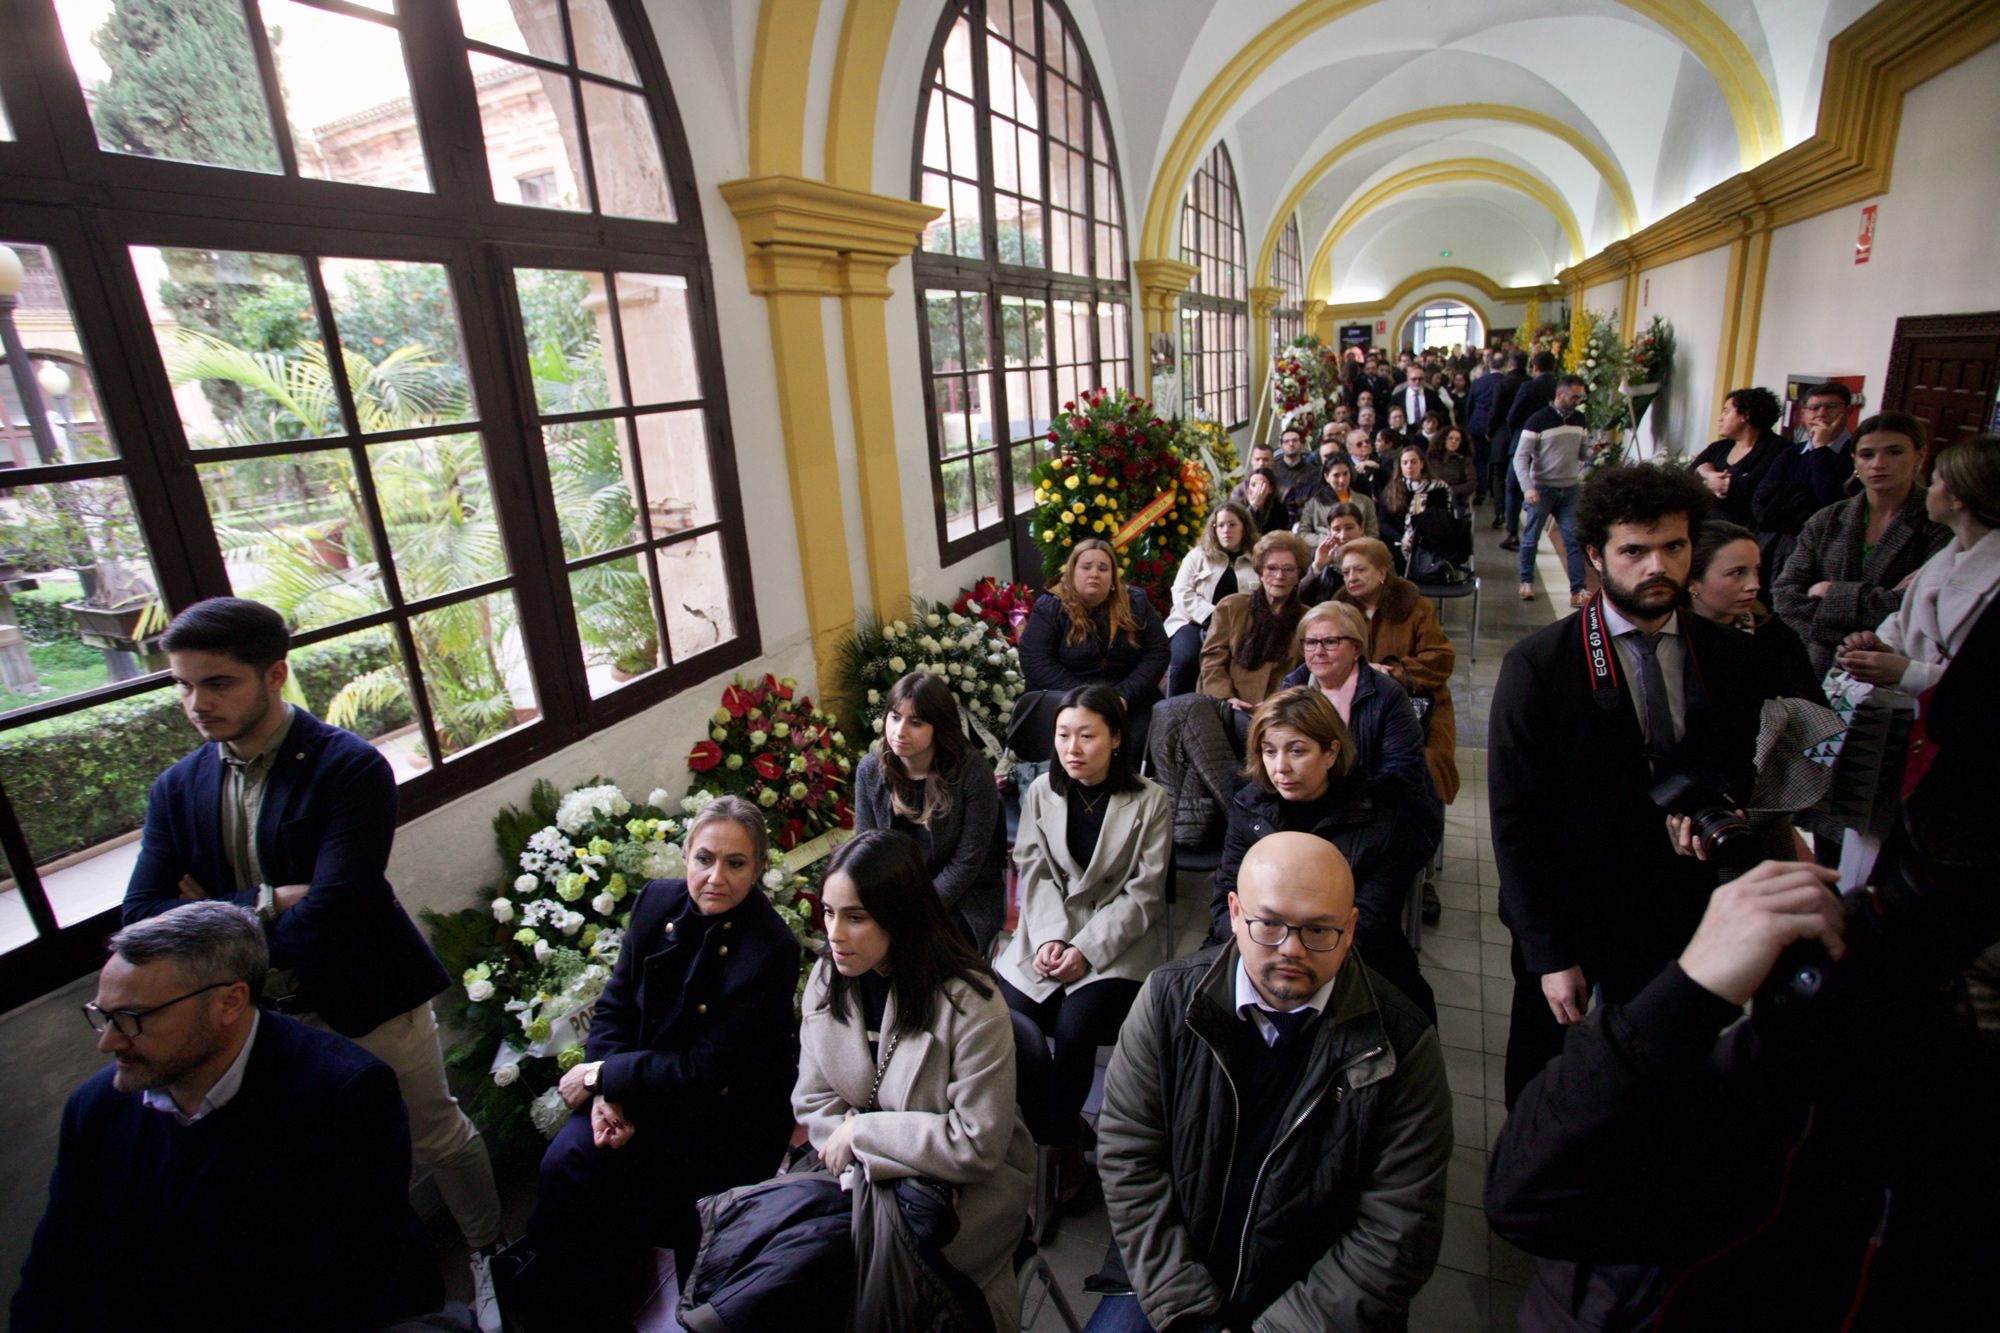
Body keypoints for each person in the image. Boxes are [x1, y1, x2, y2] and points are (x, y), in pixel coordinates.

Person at [119, 597, 503, 1327]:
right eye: (182, 684)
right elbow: (141, 917)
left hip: (365, 993)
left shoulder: (346, 766)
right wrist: (268, 899)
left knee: (433, 1129)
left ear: (275, 674)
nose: (195, 703)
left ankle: (491, 1250)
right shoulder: (177, 787)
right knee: (318, 1161)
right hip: (257, 1017)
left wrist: (216, 921)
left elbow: (343, 906)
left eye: (217, 683)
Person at [14, 902, 442, 1332]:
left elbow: (345, 1287)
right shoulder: (94, 1108)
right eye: (103, 1016)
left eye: (131, 1019)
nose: (107, 1043)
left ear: (230, 1003)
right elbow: (55, 1270)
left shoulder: (342, 1095)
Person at [1092, 832, 1451, 1333]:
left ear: (1350, 928)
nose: (1291, 950)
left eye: (1318, 931)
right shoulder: (1168, 1001)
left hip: (1313, 1304)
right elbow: (1128, 1154)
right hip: (1174, 1274)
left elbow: (1396, 1233)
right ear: (1235, 913)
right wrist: (1186, 1308)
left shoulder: (1401, 1047)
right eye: (1270, 924)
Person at [1489, 465, 1767, 1106]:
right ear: (1595, 554)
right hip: (1574, 912)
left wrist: (1708, 802)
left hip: (1681, 906)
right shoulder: (1540, 666)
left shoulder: (1725, 655)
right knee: (1545, 1087)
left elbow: (1739, 764)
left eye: (1674, 547)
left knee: (1669, 1079)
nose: (1656, 567)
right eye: (1634, 551)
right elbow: (1515, 821)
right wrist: (1550, 953)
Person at [512, 795, 800, 1330]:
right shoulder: (654, 903)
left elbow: (706, 1071)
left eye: (736, 863)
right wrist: (607, 1099)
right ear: (686, 854)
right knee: (566, 1164)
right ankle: (578, 1306)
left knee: (695, 1215)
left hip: (721, 1118)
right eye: (704, 858)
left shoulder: (772, 948)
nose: (716, 877)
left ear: (758, 868)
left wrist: (603, 1075)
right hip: (634, 1094)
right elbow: (617, 1005)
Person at [796, 830, 1036, 1332]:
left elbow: (978, 1141)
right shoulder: (826, 978)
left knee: (881, 1294)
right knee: (799, 1273)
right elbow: (814, 1099)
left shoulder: (971, 1002)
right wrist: (863, 1166)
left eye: (855, 917)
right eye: (828, 912)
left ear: (900, 917)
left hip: (969, 1197)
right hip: (854, 1180)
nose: (834, 933)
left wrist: (862, 1135)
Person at [998, 684, 1170, 1204]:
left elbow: (1145, 895)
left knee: (1074, 1028)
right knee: (1011, 1017)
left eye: (1087, 736)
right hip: (1047, 933)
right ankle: (1060, 1129)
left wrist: (1086, 951)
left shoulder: (1150, 801)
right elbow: (1034, 872)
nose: (1072, 748)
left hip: (1117, 944)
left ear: (1116, 739)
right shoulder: (1041, 793)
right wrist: (1052, 938)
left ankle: (1058, 1143)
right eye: (1063, 735)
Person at [1205, 689, 1437, 1019]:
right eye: (1269, 751)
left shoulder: (1378, 816)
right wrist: (1265, 960)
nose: (1280, 767)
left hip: (1350, 965)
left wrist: (1292, 965)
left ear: (1330, 753)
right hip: (1256, 958)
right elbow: (1223, 905)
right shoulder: (1250, 806)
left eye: (1297, 751)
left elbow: (1369, 925)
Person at [1770, 413, 1950, 679]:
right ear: (1855, 461)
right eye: (1867, 455)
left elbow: (1920, 608)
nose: (1879, 464)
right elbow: (1785, 596)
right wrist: (1849, 636)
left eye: (1894, 452)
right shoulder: (1828, 519)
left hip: (1892, 669)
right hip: (1814, 664)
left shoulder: (1938, 523)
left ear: (1920, 456)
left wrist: (1831, 591)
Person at [1836, 432, 2000, 695]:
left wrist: (1907, 672)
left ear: (1958, 498)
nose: (1928, 490)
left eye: (1934, 483)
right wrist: (1881, 649)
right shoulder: (1947, 557)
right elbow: (1905, 622)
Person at [852, 671, 1004, 950]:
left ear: (939, 727)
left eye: (916, 722)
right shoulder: (870, 770)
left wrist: (917, 910)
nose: (900, 732)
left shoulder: (972, 773)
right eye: (895, 718)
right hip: (893, 896)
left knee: (919, 952)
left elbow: (966, 864)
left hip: (960, 899)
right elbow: (867, 850)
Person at [1334, 538, 1460, 805]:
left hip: (1417, 704)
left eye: (1360, 570)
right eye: (1346, 572)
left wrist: (1393, 673)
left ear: (1382, 573)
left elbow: (1441, 658)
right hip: (1354, 704)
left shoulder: (1416, 607)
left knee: (1421, 765)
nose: (1351, 578)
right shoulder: (1339, 609)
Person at [1018, 538, 1171, 742]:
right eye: (1086, 567)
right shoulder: (1049, 606)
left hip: (1126, 697)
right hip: (1066, 698)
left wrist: (1124, 695)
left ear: (1113, 577)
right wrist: (1086, 698)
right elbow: (1035, 661)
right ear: (1072, 573)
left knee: (1139, 742)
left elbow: (1158, 651)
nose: (1094, 574)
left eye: (1103, 568)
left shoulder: (1136, 602)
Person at [1280, 600, 1435, 801]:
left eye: (1330, 642)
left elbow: (1402, 773)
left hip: (1371, 806)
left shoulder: (1388, 695)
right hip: (1306, 802)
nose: (1318, 651)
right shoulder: (1292, 687)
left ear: (1356, 648)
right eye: (1310, 642)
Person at [1686, 520, 1822, 702]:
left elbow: (1815, 712)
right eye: (1737, 573)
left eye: (1756, 570)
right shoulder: (1670, 642)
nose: (1754, 585)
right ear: (1692, 582)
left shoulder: (1774, 635)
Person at [1199, 530, 1313, 717]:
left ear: (1298, 575)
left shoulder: (1309, 619)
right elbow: (1212, 660)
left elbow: (1307, 673)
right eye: (1272, 568)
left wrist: (1278, 703)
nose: (1279, 576)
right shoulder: (1231, 606)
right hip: (1225, 705)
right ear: (1260, 571)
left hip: (1282, 711)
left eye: (1288, 569)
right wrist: (1226, 698)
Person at [1751, 380, 1856, 573]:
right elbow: (1760, 500)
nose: (1822, 413)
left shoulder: (1857, 453)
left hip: (1826, 550)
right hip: (1777, 544)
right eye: (1814, 408)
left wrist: (1821, 449)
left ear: (1848, 411)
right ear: (1803, 414)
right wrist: (1805, 502)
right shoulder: (1792, 453)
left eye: (1832, 406)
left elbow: (1830, 501)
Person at [1165, 501, 1260, 697]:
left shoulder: (1258, 559)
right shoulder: (1197, 556)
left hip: (1240, 628)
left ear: (1244, 526)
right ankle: (1174, 712)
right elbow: (1181, 592)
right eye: (1221, 525)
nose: (1226, 530)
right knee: (1187, 659)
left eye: (1232, 524)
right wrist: (1213, 615)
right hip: (1194, 623)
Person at [1514, 373, 1592, 605]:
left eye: (1580, 397)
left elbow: (1582, 453)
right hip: (1542, 487)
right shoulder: (1538, 420)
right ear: (1560, 394)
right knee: (1530, 538)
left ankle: (1577, 590)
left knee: (1573, 539)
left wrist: (1592, 452)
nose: (1578, 401)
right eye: (1574, 396)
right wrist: (1527, 488)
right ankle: (1526, 581)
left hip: (1570, 488)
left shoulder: (1580, 419)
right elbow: (1520, 457)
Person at [1691, 386, 1787, 527]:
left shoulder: (1778, 449)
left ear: (1745, 415)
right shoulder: (1719, 447)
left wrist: (1714, 482)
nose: (1720, 418)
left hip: (1745, 531)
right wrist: (1707, 474)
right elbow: (1687, 477)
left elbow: (1751, 490)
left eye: (1726, 411)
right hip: (1705, 526)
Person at [1499, 350, 1560, 547]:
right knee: (1541, 488)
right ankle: (1532, 536)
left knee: (1514, 487)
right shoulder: (1560, 387)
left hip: (1523, 441)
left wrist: (1514, 432)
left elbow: (1512, 415)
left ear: (1534, 367)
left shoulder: (1529, 386)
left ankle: (1512, 533)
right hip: (1552, 446)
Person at [1376, 444, 1451, 568]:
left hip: (1429, 544)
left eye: (1413, 462)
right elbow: (1383, 523)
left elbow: (1441, 521)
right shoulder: (1392, 489)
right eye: (1405, 463)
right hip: (1399, 542)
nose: (1409, 466)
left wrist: (1417, 540)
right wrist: (1401, 539)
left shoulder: (1438, 489)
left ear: (1421, 464)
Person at [1488, 349, 1531, 529]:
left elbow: (1495, 411)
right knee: (1519, 475)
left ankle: (1500, 512)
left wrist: (1490, 431)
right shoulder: (1531, 383)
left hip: (1502, 434)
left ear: (1510, 364)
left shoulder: (1503, 384)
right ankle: (1516, 512)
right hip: (1525, 436)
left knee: (1498, 475)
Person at [1293, 454, 1378, 545]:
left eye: (1345, 474)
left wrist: (1355, 540)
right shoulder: (1313, 504)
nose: (1342, 480)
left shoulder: (1366, 501)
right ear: (1326, 477)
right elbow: (1302, 534)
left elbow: (1373, 533)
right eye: (1336, 475)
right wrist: (1330, 540)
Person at [1467, 350, 1504, 503]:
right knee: (1496, 461)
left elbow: (1470, 405)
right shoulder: (1505, 381)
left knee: (1480, 460)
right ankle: (1495, 492)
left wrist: (1470, 422)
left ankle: (1481, 491)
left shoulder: (1478, 382)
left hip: (1478, 425)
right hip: (1499, 428)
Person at [1428, 423, 1477, 507]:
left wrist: (1450, 490)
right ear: (1443, 439)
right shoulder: (1431, 457)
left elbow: (1472, 483)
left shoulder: (1465, 460)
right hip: (1431, 496)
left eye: (1457, 439)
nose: (1454, 441)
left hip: (1455, 499)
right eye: (1450, 438)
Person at [1268, 425, 1320, 501]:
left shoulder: (1313, 472)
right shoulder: (1272, 471)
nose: (1291, 444)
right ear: (1281, 446)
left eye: (1295, 440)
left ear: (1301, 444)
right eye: (1286, 441)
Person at [1241, 464, 1289, 535]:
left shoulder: (1279, 510)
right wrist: (1253, 507)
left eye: (1261, 485)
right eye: (1253, 485)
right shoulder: (1239, 505)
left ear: (1270, 489)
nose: (1256, 489)